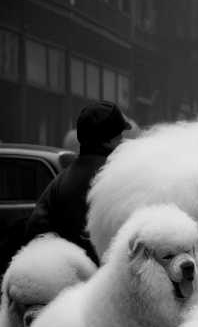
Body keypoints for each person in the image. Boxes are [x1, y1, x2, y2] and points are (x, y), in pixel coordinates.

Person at [24, 101, 131, 265]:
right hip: (108, 281)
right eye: (120, 135)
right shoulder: (119, 176)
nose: (123, 140)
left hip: (65, 278)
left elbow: (35, 233)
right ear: (108, 141)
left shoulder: (60, 182)